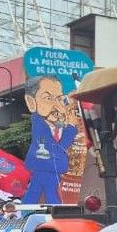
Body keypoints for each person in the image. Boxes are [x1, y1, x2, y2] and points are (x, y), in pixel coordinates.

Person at [22, 75, 77, 204]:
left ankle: (25, 211)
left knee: (36, 190)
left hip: (48, 167)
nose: (57, 106)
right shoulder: (39, 124)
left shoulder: (53, 121)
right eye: (48, 98)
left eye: (59, 99)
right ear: (31, 102)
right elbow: (56, 150)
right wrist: (71, 128)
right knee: (50, 192)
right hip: (46, 164)